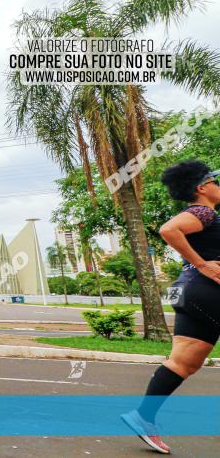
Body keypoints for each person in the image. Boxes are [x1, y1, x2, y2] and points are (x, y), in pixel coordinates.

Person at [122, 160, 220, 454]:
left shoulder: (207, 216)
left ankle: (143, 417)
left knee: (183, 363)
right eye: (215, 181)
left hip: (186, 291)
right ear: (202, 188)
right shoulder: (203, 212)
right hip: (204, 290)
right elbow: (169, 229)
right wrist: (203, 264)